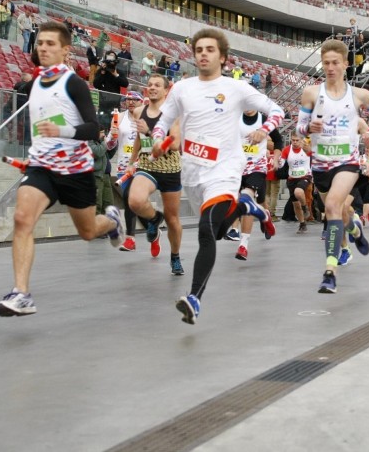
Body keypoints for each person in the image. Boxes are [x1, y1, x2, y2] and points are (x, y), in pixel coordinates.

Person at [149, 28, 283, 325]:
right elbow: (164, 121)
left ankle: (194, 298)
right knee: (218, 231)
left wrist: (267, 127)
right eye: (199, 49)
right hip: (193, 174)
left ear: (222, 57)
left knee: (206, 230)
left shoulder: (236, 88)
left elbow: (276, 109)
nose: (203, 54)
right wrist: (159, 138)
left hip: (224, 171)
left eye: (210, 49)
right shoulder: (182, 88)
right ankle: (247, 206)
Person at [0, 21, 124, 317]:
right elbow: (39, 127)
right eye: (40, 43)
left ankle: (112, 220)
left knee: (89, 231)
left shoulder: (74, 84)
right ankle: (21, 294)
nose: (43, 48)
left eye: (51, 44)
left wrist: (61, 131)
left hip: (75, 169)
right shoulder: (33, 84)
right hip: (42, 166)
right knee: (21, 219)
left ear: (66, 50)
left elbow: (93, 128)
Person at [297, 38, 369, 294]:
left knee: (334, 206)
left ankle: (330, 272)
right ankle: (354, 228)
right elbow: (300, 127)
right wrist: (308, 128)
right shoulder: (311, 93)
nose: (330, 68)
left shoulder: (359, 95)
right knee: (338, 213)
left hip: (347, 163)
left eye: (336, 63)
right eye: (326, 63)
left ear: (346, 64)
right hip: (321, 164)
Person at [124, 74, 184, 274]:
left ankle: (175, 256)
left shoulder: (173, 114)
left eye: (157, 85)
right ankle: (153, 219)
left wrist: (151, 132)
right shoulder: (139, 111)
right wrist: (131, 162)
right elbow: (139, 141)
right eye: (149, 85)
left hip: (169, 169)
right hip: (147, 166)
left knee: (173, 219)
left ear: (167, 90)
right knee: (135, 201)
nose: (152, 88)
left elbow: (174, 144)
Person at [234, 110, 284, 261]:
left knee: (246, 200)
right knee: (244, 201)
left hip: (256, 167)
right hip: (237, 167)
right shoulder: (234, 117)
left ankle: (243, 245)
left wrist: (275, 159)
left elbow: (278, 140)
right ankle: (265, 216)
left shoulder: (264, 120)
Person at [106, 91, 143, 252]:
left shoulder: (147, 117)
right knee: (132, 203)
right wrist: (112, 137)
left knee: (133, 200)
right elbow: (109, 145)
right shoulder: (119, 118)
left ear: (142, 101)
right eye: (128, 99)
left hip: (143, 165)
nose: (131, 102)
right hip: (124, 166)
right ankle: (142, 233)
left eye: (135, 99)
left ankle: (137, 235)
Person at [281, 132, 313, 233]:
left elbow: (315, 155)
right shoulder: (287, 150)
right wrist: (277, 162)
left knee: (298, 192)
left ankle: (305, 207)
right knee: (295, 204)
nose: (295, 142)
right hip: (292, 178)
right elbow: (282, 162)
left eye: (297, 140)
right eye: (293, 140)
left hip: (305, 176)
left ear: (301, 140)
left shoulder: (306, 149)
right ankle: (302, 224)